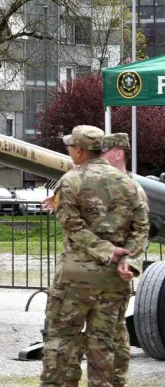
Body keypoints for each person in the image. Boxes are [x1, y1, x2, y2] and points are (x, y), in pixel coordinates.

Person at [40, 125, 149, 387]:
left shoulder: (70, 181)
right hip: (113, 282)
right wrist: (129, 261)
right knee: (104, 344)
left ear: (78, 151)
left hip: (74, 281)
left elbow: (72, 225)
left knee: (61, 340)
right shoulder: (130, 184)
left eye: (70, 147)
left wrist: (108, 252)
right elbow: (141, 228)